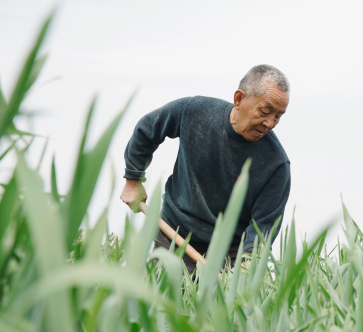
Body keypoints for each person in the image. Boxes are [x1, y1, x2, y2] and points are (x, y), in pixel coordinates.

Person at [120, 64, 291, 273]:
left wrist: (246, 267)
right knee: (162, 300)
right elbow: (148, 129)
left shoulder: (276, 164)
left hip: (230, 251)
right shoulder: (194, 112)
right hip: (175, 234)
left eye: (278, 116)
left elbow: (264, 225)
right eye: (265, 111)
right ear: (239, 99)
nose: (270, 123)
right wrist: (133, 180)